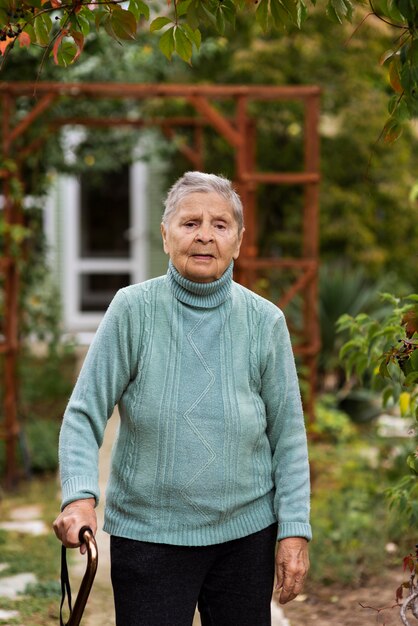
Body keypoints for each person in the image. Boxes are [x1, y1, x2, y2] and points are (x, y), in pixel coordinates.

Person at [53, 171, 311, 626]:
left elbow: (288, 437)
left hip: (245, 538)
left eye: (220, 224)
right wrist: (79, 497)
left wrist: (293, 531)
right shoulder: (132, 310)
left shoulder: (265, 322)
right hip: (149, 538)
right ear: (165, 234)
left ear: (238, 239)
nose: (205, 236)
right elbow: (83, 414)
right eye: (190, 223)